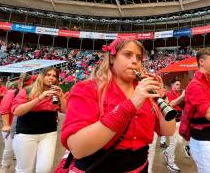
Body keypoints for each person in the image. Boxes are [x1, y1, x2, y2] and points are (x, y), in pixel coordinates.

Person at [60, 38, 176, 173]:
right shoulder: (86, 89)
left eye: (138, 57)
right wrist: (130, 105)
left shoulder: (145, 90)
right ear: (111, 59)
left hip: (139, 167)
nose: (135, 61)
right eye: (128, 54)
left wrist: (162, 98)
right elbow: (77, 148)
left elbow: (168, 131)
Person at [11, 67, 66, 173]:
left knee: (44, 169)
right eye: (48, 75)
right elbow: (17, 111)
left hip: (49, 133)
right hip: (26, 133)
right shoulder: (27, 90)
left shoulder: (56, 92)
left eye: (54, 76)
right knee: (24, 170)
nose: (52, 78)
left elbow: (65, 110)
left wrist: (61, 96)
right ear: (41, 76)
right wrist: (40, 98)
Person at [0, 73, 36, 173]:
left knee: (24, 153)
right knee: (9, 150)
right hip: (11, 128)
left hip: (27, 129)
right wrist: (6, 125)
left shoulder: (34, 95)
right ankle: (4, 167)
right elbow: (4, 109)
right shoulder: (12, 93)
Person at [163, 78, 185, 172]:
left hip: (179, 121)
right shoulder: (168, 94)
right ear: (172, 85)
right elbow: (171, 104)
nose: (178, 86)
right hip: (172, 122)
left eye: (179, 85)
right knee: (173, 143)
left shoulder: (178, 94)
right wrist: (182, 96)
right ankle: (171, 163)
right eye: (176, 84)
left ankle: (167, 152)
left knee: (179, 142)